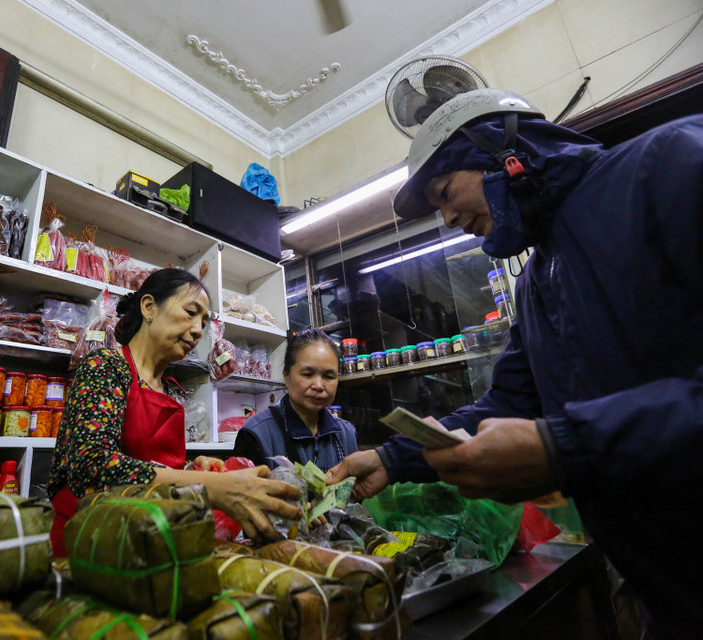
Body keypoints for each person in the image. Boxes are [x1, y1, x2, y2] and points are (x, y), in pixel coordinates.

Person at [326, 88, 703, 638]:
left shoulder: (668, 163)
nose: (449, 216)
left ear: (504, 151)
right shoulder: (535, 280)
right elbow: (509, 404)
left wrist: (564, 448)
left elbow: (564, 437)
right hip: (668, 593)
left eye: (446, 192)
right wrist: (394, 456)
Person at [48, 268, 301, 556]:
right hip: (88, 542)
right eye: (191, 312)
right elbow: (92, 467)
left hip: (147, 539)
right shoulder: (105, 366)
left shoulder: (167, 387)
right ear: (148, 307)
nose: (197, 329)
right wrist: (210, 487)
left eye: (204, 322)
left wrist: (190, 471)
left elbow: (149, 467)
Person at [232, 329, 358, 472]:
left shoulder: (346, 434)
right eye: (307, 374)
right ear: (287, 376)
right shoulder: (257, 434)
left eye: (329, 376)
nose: (318, 386)